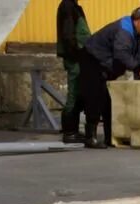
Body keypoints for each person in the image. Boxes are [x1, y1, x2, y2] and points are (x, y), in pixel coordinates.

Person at [79, 9, 140, 149]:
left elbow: (136, 54)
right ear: (139, 21)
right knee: (95, 98)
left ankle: (109, 138)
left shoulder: (136, 33)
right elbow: (121, 54)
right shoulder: (124, 31)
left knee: (106, 101)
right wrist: (139, 70)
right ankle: (90, 137)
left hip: (102, 62)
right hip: (92, 59)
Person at [56, 0, 91, 144]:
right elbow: (68, 34)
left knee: (78, 93)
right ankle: (70, 132)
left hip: (78, 57)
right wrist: (77, 54)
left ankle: (73, 131)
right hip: (74, 58)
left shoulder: (74, 7)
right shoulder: (68, 6)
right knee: (73, 93)